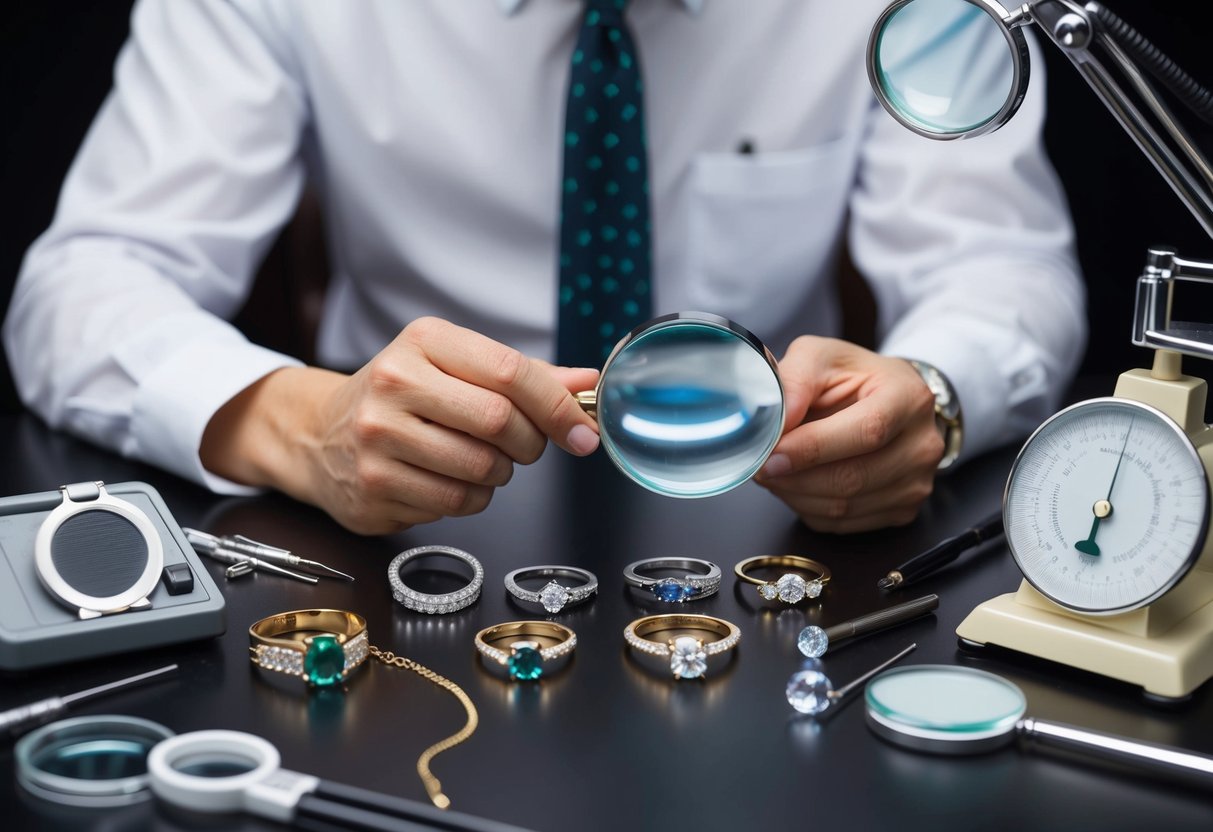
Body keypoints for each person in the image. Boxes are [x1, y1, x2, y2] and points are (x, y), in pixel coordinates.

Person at [3, 0, 1085, 536]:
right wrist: (298, 422)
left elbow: (1000, 267)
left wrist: (934, 399)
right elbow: (86, 280)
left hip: (775, 528)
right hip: (382, 538)